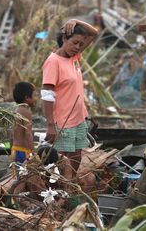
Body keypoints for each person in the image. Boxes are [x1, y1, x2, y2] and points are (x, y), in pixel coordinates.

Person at [41, 19, 98, 180]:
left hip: (78, 119)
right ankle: (62, 191)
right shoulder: (53, 62)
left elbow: (93, 33)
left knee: (76, 156)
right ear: (64, 39)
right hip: (63, 121)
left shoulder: (74, 57)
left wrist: (75, 21)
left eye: (81, 44)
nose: (78, 47)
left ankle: (70, 186)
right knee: (63, 160)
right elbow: (47, 94)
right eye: (74, 43)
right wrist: (51, 125)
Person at [11, 82, 36, 177]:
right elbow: (28, 133)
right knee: (24, 178)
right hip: (23, 151)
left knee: (17, 177)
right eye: (34, 95)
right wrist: (34, 152)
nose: (35, 99)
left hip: (15, 150)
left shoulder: (16, 111)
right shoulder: (26, 112)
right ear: (27, 98)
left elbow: (12, 133)